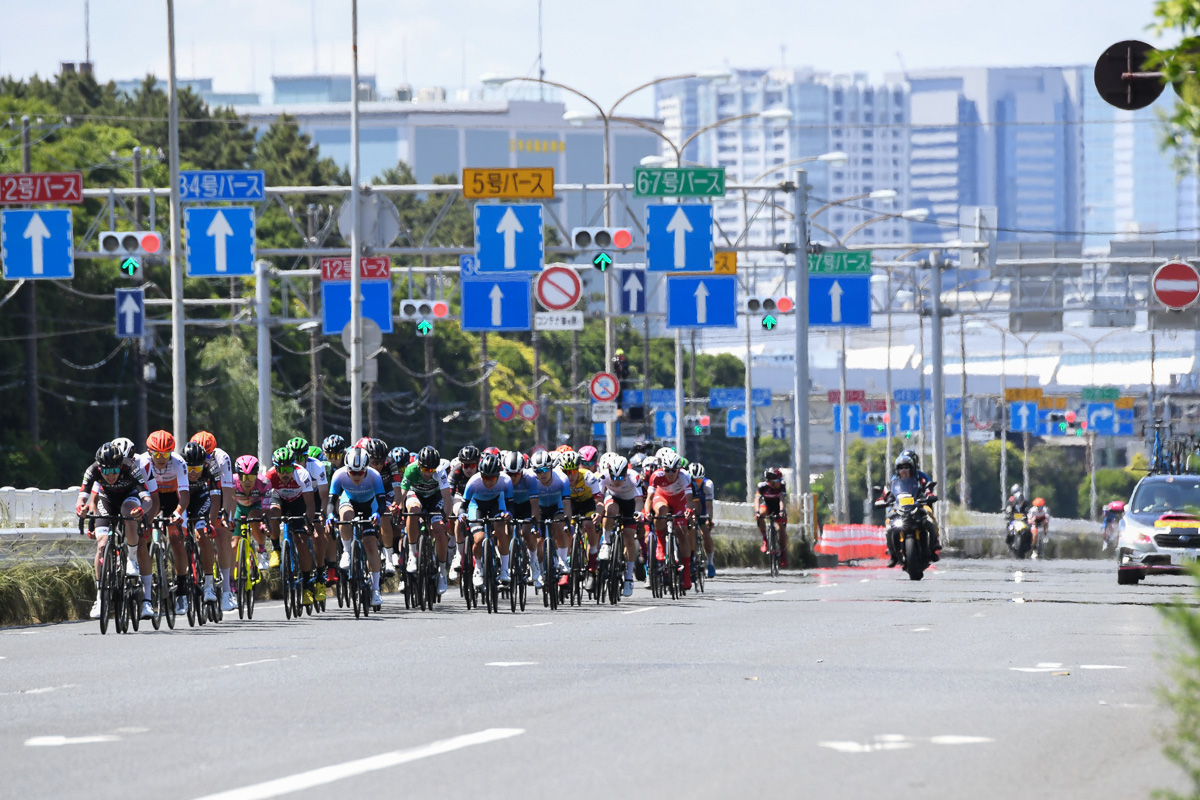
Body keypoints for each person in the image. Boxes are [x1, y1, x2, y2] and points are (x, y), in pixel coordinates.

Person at [76, 442, 154, 619]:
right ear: (99, 468)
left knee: (129, 514)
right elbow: (82, 498)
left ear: (121, 466)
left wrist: (142, 509)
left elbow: (147, 499)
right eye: (106, 471)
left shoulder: (130, 467)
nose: (110, 476)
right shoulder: (92, 470)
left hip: (129, 497)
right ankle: (100, 597)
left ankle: (131, 559)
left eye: (114, 471)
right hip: (107, 500)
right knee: (102, 545)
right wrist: (81, 508)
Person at [139, 431, 193, 614]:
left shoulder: (179, 463)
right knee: (143, 533)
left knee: (177, 540)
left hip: (173, 498)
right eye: (157, 454)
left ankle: (181, 591)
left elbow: (185, 495)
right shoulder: (142, 462)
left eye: (165, 454)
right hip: (150, 498)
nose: (161, 459)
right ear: (149, 452)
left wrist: (178, 512)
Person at [329, 445, 388, 609]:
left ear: (366, 470)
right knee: (345, 516)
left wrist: (377, 514)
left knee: (370, 545)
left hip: (370, 506)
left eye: (360, 473)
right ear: (346, 468)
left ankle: (375, 589)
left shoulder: (375, 476)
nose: (356, 476)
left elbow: (382, 503)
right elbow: (331, 502)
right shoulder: (339, 475)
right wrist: (330, 515)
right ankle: (347, 552)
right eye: (352, 472)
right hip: (349, 502)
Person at [181, 441, 234, 612]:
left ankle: (209, 584)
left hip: (203, 500)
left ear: (204, 464)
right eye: (190, 470)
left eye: (197, 469)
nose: (194, 474)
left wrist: (211, 524)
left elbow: (216, 500)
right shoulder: (178, 466)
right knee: (176, 536)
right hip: (182, 499)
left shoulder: (213, 468)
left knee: (203, 535)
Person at [265, 446, 320, 606]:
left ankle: (308, 585)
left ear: (293, 466)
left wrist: (308, 524)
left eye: (288, 468)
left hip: (298, 502)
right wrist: (267, 522)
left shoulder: (302, 474)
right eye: (280, 469)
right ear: (275, 468)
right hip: (279, 498)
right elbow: (265, 505)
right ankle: (276, 549)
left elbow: (310, 505)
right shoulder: (269, 476)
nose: (284, 473)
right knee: (274, 513)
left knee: (302, 541)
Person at [399, 445, 454, 596]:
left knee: (439, 530)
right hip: (416, 495)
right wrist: (397, 508)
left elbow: (447, 498)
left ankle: (442, 572)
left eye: (431, 470)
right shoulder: (411, 469)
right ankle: (412, 555)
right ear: (419, 465)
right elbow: (402, 494)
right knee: (413, 511)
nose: (428, 473)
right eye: (424, 469)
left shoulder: (440, 472)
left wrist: (446, 517)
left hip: (435, 499)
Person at [461, 452, 514, 587]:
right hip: (476, 506)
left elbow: (510, 506)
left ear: (498, 476)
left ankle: (504, 569)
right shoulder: (473, 481)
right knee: (478, 539)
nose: (488, 482)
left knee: (501, 530)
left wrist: (509, 514)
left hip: (497, 504)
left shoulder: (506, 481)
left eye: (492, 478)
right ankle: (478, 569)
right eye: (485, 478)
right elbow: (463, 507)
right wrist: (462, 515)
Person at [645, 451, 696, 590]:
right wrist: (648, 513)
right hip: (662, 497)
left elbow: (690, 500)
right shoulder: (656, 476)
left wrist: (689, 510)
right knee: (661, 511)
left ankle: (686, 574)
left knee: (682, 532)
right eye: (667, 470)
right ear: (663, 469)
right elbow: (649, 498)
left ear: (679, 469)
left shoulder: (685, 476)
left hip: (679, 500)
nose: (670, 473)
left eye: (674, 470)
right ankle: (661, 545)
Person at [597, 453, 641, 597]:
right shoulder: (603, 477)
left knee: (629, 538)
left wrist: (638, 512)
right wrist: (598, 513)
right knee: (610, 509)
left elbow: (639, 499)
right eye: (613, 477)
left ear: (625, 473)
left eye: (620, 477)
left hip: (630, 504)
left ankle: (628, 578)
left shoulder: (634, 477)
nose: (616, 481)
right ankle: (606, 543)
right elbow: (598, 499)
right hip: (613, 499)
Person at [756, 467, 789, 569]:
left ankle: (783, 552)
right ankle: (765, 539)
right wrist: (757, 512)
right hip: (767, 506)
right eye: (778, 480)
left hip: (778, 507)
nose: (780, 482)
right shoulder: (762, 486)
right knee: (761, 514)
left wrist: (782, 511)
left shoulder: (782, 486)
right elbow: (757, 499)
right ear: (772, 482)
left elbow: (782, 500)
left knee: (781, 529)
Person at [689, 462, 716, 577]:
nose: (696, 483)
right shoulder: (686, 483)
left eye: (698, 481)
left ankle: (710, 562)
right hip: (691, 508)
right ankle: (693, 558)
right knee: (690, 533)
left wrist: (708, 519)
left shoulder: (708, 485)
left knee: (706, 534)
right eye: (693, 480)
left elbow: (709, 506)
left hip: (703, 508)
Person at [1004, 483, 1031, 550]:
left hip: (1023, 521)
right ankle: (1009, 543)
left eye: (1020, 499)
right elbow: (1008, 510)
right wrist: (1008, 514)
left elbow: (1028, 512)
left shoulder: (1025, 503)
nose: (1019, 501)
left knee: (1029, 531)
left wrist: (1028, 516)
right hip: (1013, 520)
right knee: (1009, 529)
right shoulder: (1010, 502)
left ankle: (1029, 545)